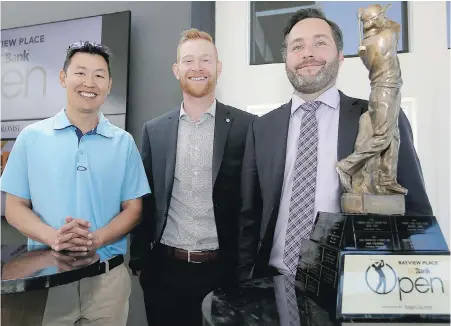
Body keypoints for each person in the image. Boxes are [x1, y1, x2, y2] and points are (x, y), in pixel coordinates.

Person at [237, 8, 432, 281]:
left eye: (320, 43)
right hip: (272, 283)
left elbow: (415, 209)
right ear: (286, 60)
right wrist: (246, 282)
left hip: (351, 286)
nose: (308, 53)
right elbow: (250, 217)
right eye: (297, 46)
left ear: (340, 57)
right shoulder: (262, 128)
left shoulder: (377, 119)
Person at [1, 41, 151, 325]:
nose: (89, 83)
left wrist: (97, 239)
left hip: (108, 281)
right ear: (63, 77)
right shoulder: (31, 138)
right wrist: (54, 237)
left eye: (99, 75)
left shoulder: (124, 142)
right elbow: (15, 207)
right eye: (80, 73)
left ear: (109, 85)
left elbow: (133, 209)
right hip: (47, 279)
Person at [129, 28, 255, 326]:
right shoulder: (154, 130)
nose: (197, 68)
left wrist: (248, 268)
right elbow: (145, 197)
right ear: (177, 70)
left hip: (225, 272)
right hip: (165, 273)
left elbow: (254, 202)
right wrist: (139, 258)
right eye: (188, 61)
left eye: (205, 60)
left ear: (218, 67)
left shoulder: (247, 127)